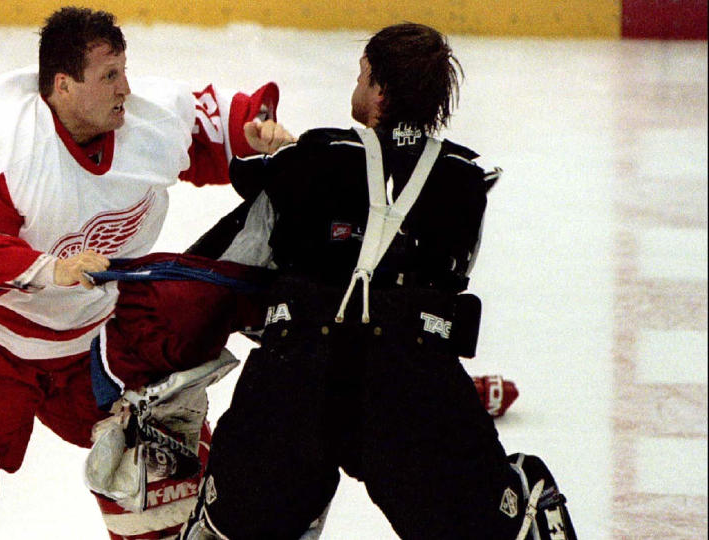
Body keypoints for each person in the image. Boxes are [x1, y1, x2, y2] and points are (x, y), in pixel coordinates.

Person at [0, 6, 293, 540]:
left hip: (97, 339)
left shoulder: (148, 119)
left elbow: (214, 125)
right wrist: (45, 269)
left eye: (124, 70)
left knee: (161, 473)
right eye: (109, 77)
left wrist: (254, 132)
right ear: (63, 85)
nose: (126, 87)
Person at [170, 23, 578, 539]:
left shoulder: (309, 159)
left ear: (380, 91)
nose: (355, 86)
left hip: (297, 380)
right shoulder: (467, 181)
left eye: (362, 75)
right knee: (504, 527)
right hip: (411, 390)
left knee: (229, 528)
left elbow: (219, 267)